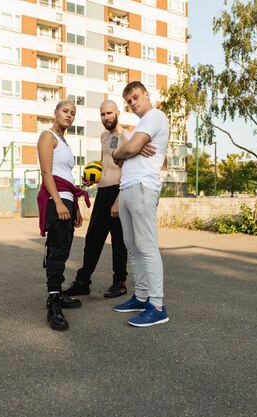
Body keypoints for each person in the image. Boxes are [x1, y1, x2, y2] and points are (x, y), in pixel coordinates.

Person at [110, 81, 170, 327]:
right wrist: (127, 151)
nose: (132, 103)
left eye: (135, 97)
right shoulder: (139, 127)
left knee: (147, 246)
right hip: (127, 188)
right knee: (132, 246)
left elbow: (126, 151)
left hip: (143, 187)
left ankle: (157, 305)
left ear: (147, 95)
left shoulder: (155, 116)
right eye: (129, 101)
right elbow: (124, 159)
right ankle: (142, 295)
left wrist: (123, 150)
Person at [63, 100, 129, 299]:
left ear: (117, 113)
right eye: (102, 114)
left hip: (118, 191)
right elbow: (104, 162)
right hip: (102, 192)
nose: (105, 118)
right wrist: (93, 177)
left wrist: (119, 200)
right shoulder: (103, 136)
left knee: (118, 241)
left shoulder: (127, 136)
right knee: (92, 239)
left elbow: (128, 170)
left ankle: (120, 282)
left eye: (109, 113)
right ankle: (83, 282)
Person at [37, 100, 90, 331]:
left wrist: (75, 207)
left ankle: (58, 294)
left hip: (68, 200)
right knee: (57, 251)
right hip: (56, 200)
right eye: (65, 111)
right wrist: (58, 202)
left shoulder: (65, 141)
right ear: (55, 112)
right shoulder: (47, 136)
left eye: (73, 113)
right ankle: (53, 302)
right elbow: (47, 173)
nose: (69, 115)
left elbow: (66, 176)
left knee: (65, 250)